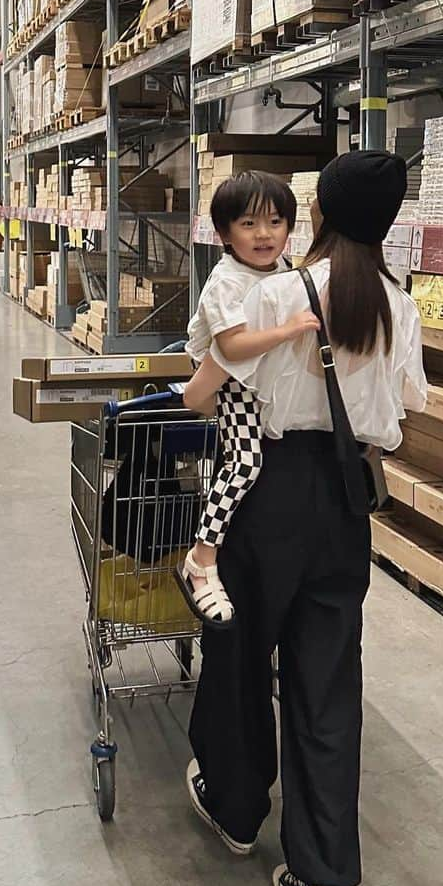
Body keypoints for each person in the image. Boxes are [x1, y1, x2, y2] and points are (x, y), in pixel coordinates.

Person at [182, 149, 427, 886]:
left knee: (243, 653)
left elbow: (204, 387)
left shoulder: (282, 291)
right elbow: (404, 412)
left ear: (315, 215)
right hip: (344, 501)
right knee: (326, 684)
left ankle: (237, 808)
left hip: (267, 494)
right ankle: (324, 882)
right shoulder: (400, 304)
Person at [176, 171, 320, 628]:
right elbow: (232, 349)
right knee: (245, 463)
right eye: (249, 224)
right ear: (224, 233)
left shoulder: (282, 269)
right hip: (231, 381)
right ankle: (201, 558)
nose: (264, 235)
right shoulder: (226, 282)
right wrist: (290, 329)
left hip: (263, 378)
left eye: (276, 222)